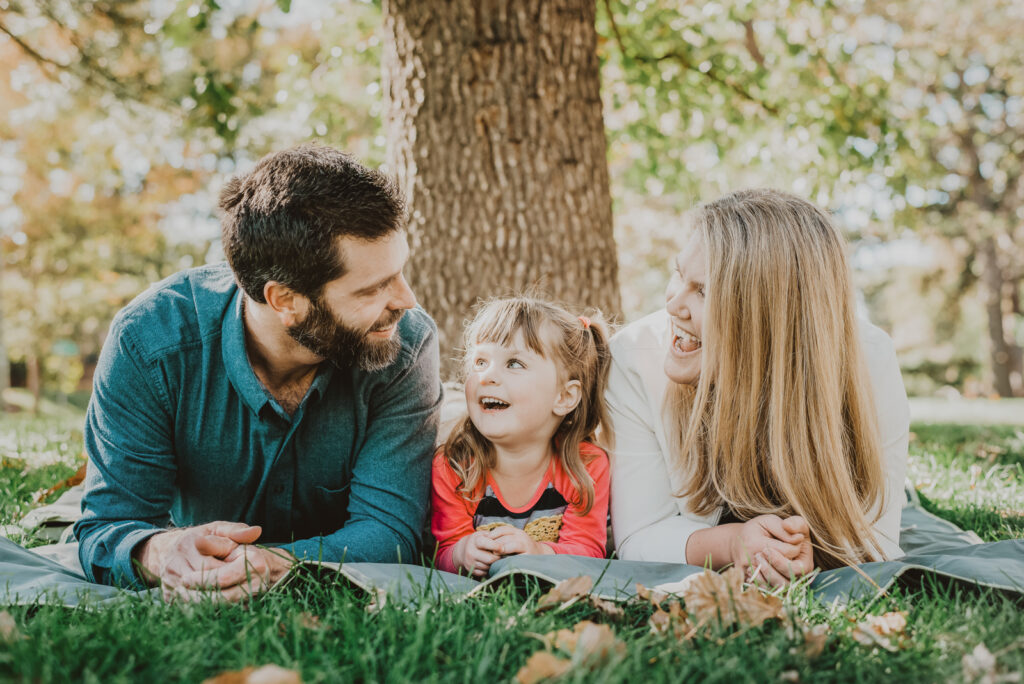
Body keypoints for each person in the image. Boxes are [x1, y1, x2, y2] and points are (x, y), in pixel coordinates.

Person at [73, 144, 443, 601]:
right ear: (284, 300)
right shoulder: (151, 343)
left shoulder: (404, 343)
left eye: (400, 272)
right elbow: (108, 526)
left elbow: (391, 530)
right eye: (373, 288)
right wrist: (162, 550)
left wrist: (274, 564)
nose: (406, 300)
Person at [607, 189, 909, 586]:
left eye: (703, 291)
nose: (672, 305)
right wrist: (735, 543)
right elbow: (638, 536)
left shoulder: (868, 361)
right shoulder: (634, 358)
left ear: (764, 314)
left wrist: (803, 556)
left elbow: (875, 539)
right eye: (679, 274)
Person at [430, 296, 612, 577]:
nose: (486, 376)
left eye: (514, 363)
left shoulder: (585, 467)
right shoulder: (454, 465)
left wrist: (539, 553)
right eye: (480, 361)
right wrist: (461, 553)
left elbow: (588, 551)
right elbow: (442, 550)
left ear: (564, 397)